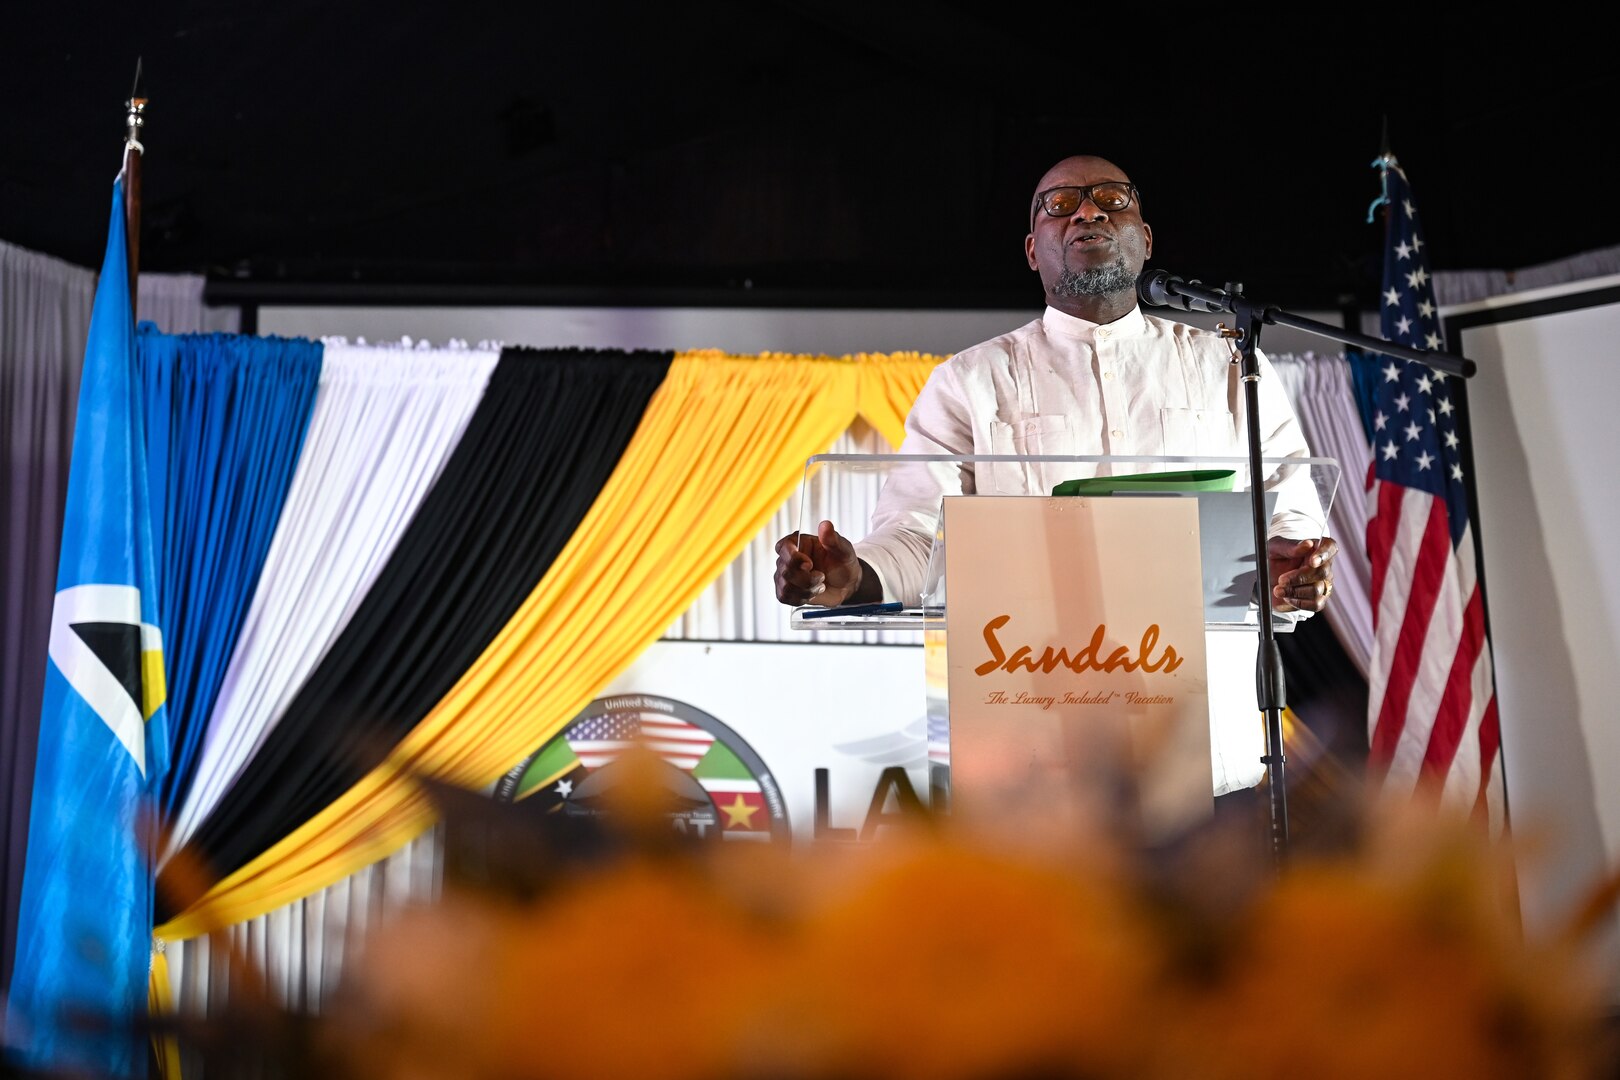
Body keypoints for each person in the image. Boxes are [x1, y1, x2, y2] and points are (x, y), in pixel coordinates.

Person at [773, 153, 1339, 797]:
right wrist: (854, 578)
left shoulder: (1231, 368)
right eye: (1059, 204)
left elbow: (1292, 513)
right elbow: (917, 536)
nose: (1088, 211)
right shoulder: (970, 382)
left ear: (1146, 239)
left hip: (1205, 752)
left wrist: (1289, 568)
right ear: (1032, 251)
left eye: (1111, 199)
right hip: (1036, 760)